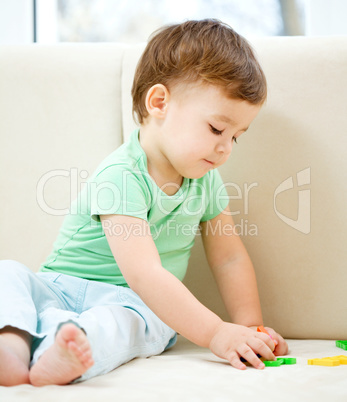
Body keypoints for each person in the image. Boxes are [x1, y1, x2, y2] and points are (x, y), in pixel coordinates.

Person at [0, 19, 288, 387]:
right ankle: (11, 345)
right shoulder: (121, 175)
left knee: (121, 324)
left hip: (137, 303)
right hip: (59, 286)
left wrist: (249, 328)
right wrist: (215, 332)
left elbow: (229, 256)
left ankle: (63, 350)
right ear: (159, 102)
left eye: (237, 137)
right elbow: (144, 270)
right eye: (217, 129)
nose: (225, 148)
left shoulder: (207, 183)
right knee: (8, 273)